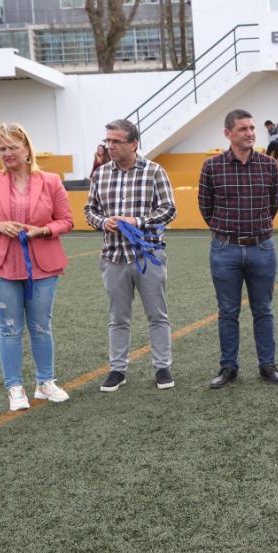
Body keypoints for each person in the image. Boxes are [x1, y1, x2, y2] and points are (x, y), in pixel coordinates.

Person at [0, 122, 75, 411]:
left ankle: (45, 383)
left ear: (27, 149)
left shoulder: (51, 181)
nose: (7, 153)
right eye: (2, 148)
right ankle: (14, 387)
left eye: (13, 147)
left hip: (42, 267)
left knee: (41, 327)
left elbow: (66, 221)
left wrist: (42, 230)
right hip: (1, 267)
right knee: (9, 329)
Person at [85, 119, 179, 393]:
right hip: (113, 257)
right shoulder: (100, 175)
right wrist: (104, 222)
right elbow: (89, 210)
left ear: (134, 143)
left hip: (147, 256)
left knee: (157, 315)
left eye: (116, 141)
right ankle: (117, 370)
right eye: (108, 141)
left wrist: (137, 222)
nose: (110, 146)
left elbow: (169, 209)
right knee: (118, 318)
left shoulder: (154, 171)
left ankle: (162, 367)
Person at [199, 109, 278, 389]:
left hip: (262, 247)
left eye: (252, 128)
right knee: (227, 311)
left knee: (263, 310)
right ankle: (228, 367)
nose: (250, 133)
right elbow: (206, 208)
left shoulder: (269, 166)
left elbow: (273, 205)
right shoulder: (212, 167)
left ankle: (267, 365)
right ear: (228, 133)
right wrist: (228, 233)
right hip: (225, 249)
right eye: (243, 129)